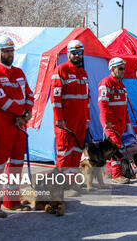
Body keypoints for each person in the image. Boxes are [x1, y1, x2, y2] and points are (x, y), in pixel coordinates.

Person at [0, 36, 34, 218]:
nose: (10, 54)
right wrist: (21, 113)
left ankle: (11, 201)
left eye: (12, 51)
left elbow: (29, 94)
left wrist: (27, 113)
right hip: (1, 124)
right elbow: (1, 100)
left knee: (16, 163)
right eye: (6, 51)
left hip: (19, 125)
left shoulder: (19, 73)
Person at [51, 40, 90, 190]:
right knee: (64, 153)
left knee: (76, 153)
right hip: (65, 122)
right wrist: (59, 119)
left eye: (80, 52)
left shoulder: (83, 73)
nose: (77, 55)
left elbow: (87, 98)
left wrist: (87, 119)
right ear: (68, 53)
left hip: (80, 121)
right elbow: (55, 98)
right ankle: (61, 185)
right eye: (74, 52)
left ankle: (72, 183)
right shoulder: (61, 70)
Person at [98, 57, 131, 184]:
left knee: (112, 147)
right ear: (112, 69)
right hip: (111, 122)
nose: (123, 71)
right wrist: (106, 121)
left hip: (120, 122)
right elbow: (103, 104)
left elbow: (124, 105)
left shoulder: (121, 84)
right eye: (120, 68)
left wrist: (127, 122)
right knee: (115, 147)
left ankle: (108, 171)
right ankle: (117, 175)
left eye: (124, 68)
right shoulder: (106, 82)